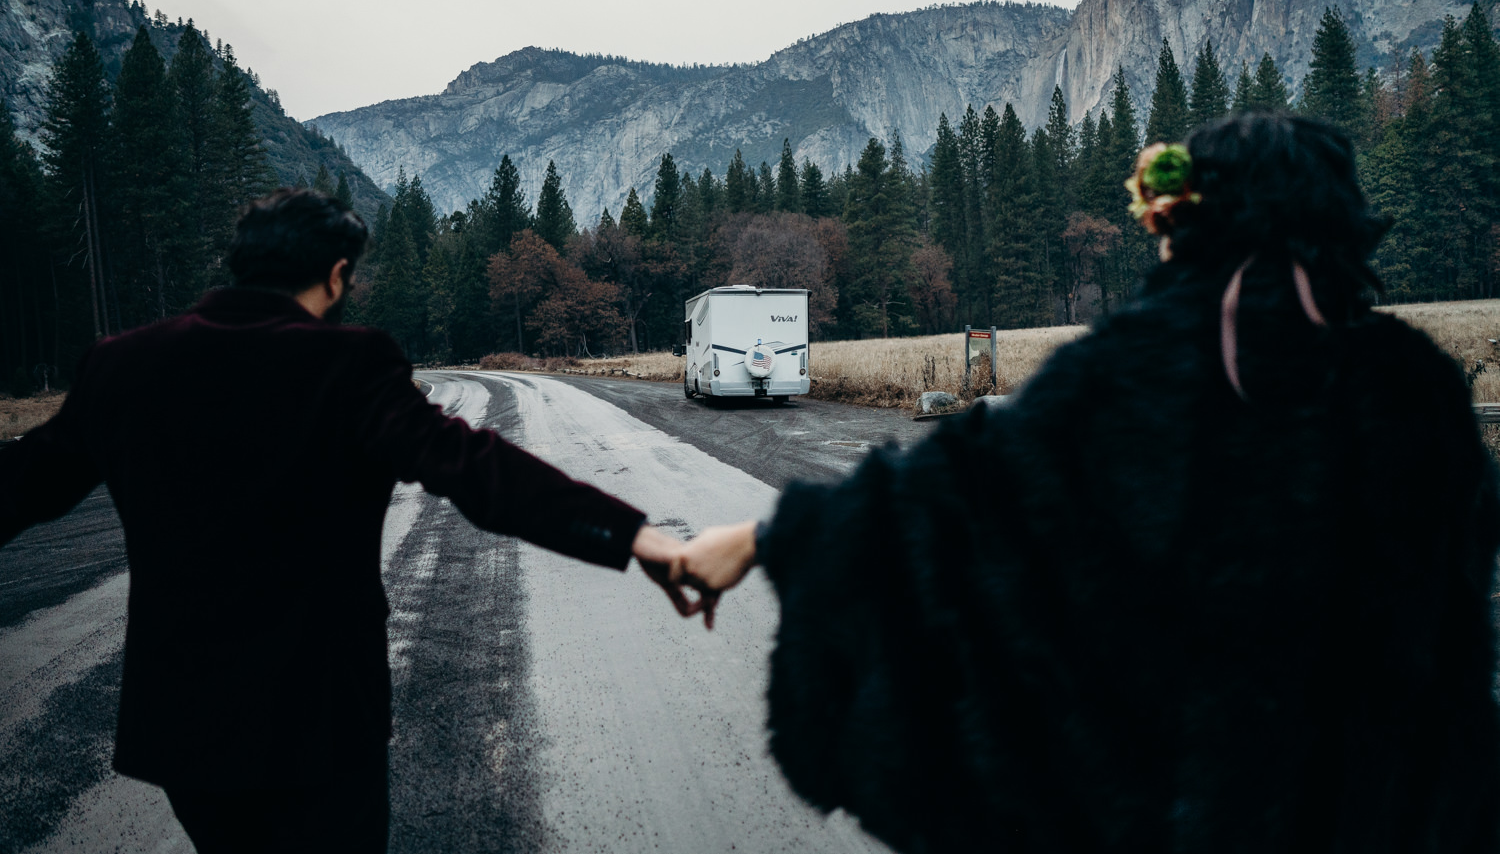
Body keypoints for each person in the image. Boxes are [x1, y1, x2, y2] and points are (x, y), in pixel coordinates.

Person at [670, 113, 1500, 852]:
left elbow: (947, 502)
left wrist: (760, 539)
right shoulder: (1417, 389)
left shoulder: (1139, 370)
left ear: (1189, 222)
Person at [0, 189, 696, 853]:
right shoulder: (349, 364)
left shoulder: (117, 366)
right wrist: (637, 537)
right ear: (335, 276)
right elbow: (477, 469)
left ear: (242, 265)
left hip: (185, 739)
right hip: (320, 728)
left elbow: (25, 485)